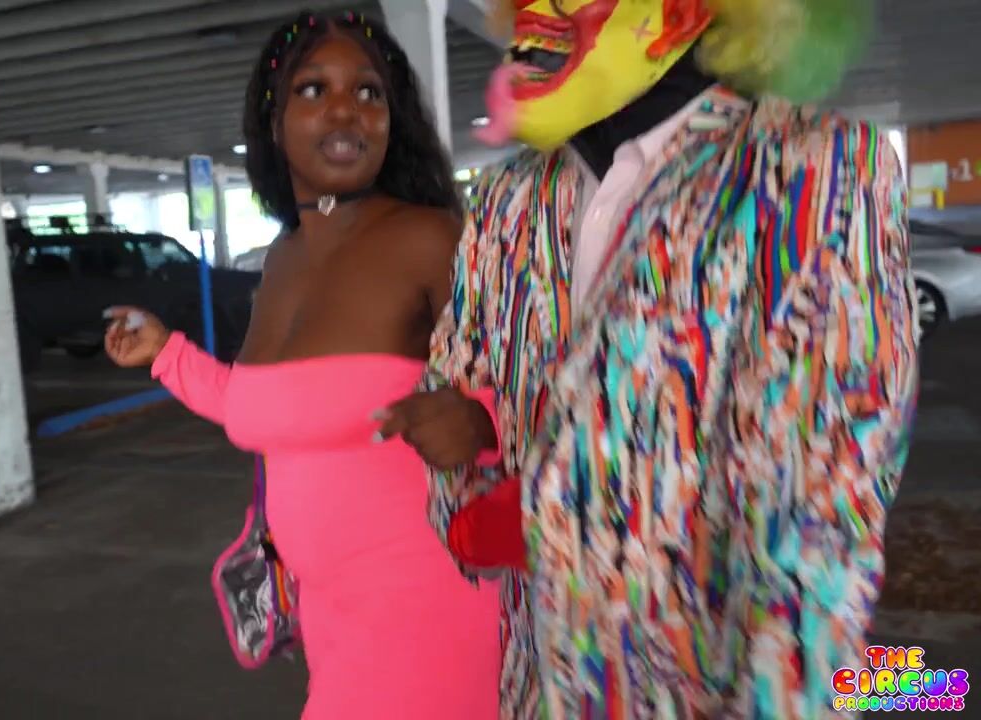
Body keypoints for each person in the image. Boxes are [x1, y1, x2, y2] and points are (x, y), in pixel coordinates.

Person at [377, 0, 919, 716]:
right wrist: (473, 447)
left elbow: (818, 518)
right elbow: (465, 380)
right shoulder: (508, 198)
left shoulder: (808, 171)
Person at [103, 11, 502, 720]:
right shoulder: (282, 257)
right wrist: (166, 353)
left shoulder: (431, 237)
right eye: (314, 89)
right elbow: (271, 411)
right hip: (329, 617)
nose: (346, 109)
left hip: (430, 608)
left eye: (369, 92)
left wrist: (483, 421)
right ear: (273, 119)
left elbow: (545, 384)